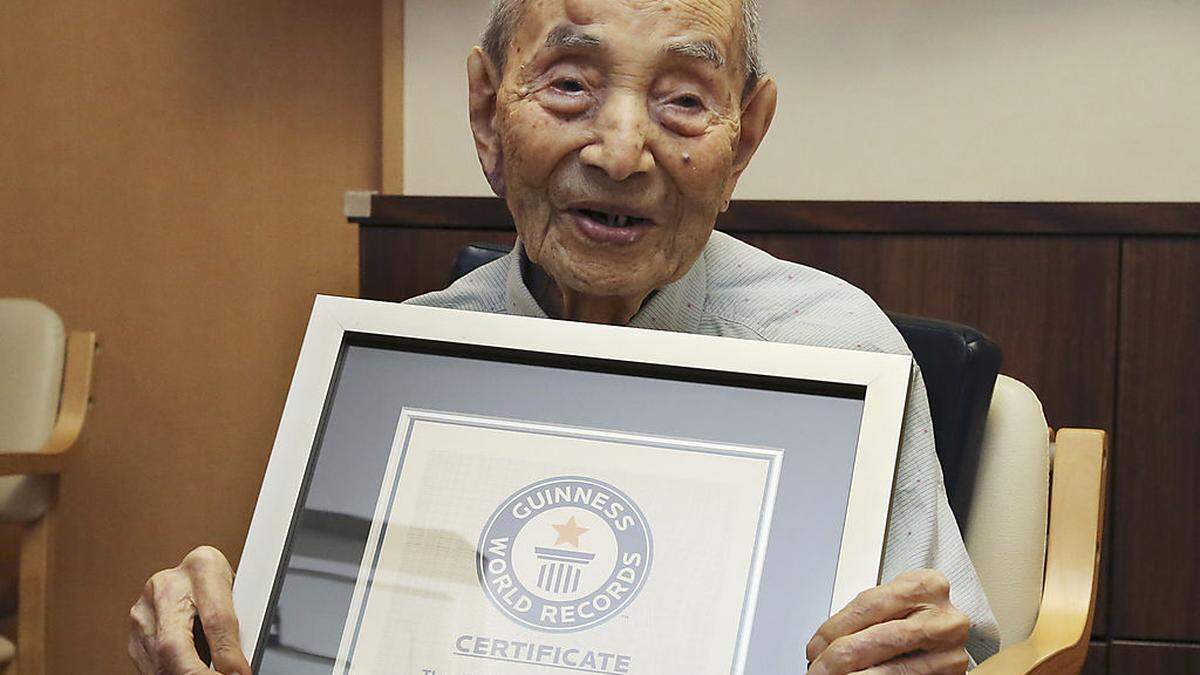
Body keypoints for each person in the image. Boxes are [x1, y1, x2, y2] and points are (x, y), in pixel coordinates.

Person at [128, 1, 1001, 673]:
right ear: (484, 111)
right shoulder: (410, 369)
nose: (622, 153)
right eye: (571, 85)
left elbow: (950, 642)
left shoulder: (835, 350)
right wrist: (216, 636)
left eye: (685, 100)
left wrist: (911, 653)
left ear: (745, 140)